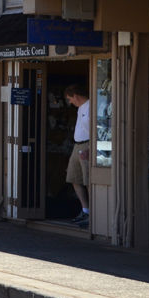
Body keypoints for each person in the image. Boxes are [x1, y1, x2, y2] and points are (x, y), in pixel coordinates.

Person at [64, 84, 91, 227]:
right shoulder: (80, 108)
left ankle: (93, 212)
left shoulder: (91, 106)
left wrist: (92, 147)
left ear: (75, 96)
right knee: (74, 177)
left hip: (88, 144)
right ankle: (85, 209)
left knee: (88, 180)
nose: (70, 102)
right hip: (77, 145)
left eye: (70, 99)